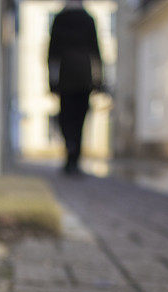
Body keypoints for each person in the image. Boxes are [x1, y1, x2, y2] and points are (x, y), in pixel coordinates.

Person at [48, 0, 102, 175]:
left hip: (66, 75)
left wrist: (52, 80)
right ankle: (74, 157)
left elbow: (52, 53)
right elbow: (96, 52)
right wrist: (98, 79)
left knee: (67, 117)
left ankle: (70, 151)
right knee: (79, 118)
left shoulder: (59, 19)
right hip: (83, 75)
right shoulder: (88, 19)